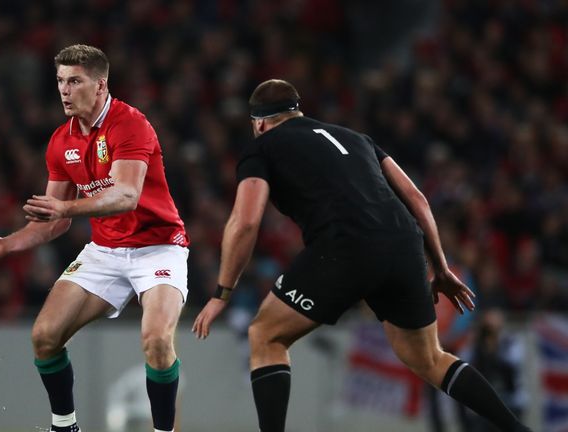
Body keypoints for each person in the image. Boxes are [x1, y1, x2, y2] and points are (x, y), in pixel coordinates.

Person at [192, 79, 532, 432]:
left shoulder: (261, 148)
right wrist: (441, 268)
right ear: (299, 111)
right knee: (428, 357)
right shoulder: (356, 138)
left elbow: (245, 222)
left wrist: (223, 293)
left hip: (344, 246)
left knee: (265, 335)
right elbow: (416, 198)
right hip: (405, 244)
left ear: (259, 123)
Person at [0, 44, 189, 432]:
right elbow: (53, 221)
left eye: (74, 81)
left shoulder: (130, 123)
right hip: (105, 251)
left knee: (156, 341)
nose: (64, 91)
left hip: (158, 248)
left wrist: (66, 209)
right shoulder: (60, 141)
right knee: (45, 336)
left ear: (100, 85)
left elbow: (125, 195)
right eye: (60, 82)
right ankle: (64, 426)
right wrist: (7, 243)